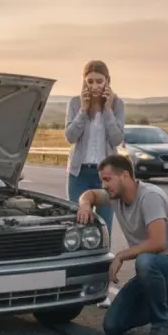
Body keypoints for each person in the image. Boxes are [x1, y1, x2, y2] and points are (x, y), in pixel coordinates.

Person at [76, 154, 168, 335]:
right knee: (112, 326)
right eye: (102, 180)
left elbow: (158, 243)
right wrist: (85, 206)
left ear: (125, 176)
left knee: (144, 261)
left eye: (107, 179)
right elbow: (89, 194)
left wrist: (120, 255)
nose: (104, 185)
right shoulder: (115, 196)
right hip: (149, 271)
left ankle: (161, 325)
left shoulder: (149, 196)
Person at [64, 60, 125, 236]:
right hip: (79, 173)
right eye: (90, 81)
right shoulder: (75, 103)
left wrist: (107, 110)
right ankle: (78, 262)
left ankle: (102, 263)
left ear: (108, 80)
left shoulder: (117, 105)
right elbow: (70, 137)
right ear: (84, 81)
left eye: (99, 81)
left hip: (106, 176)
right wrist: (83, 110)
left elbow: (116, 139)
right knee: (78, 223)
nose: (94, 86)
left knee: (104, 226)